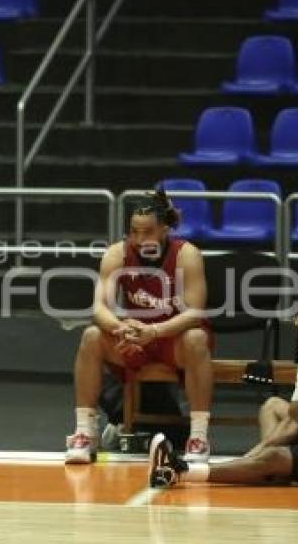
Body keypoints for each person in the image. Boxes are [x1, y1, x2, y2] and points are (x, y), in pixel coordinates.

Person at [149, 285, 298, 490]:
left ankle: (181, 470)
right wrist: (252, 457)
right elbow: (292, 423)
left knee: (274, 457)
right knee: (273, 407)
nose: (295, 322)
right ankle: (267, 469)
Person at [66, 189, 214, 464]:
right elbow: (99, 307)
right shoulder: (117, 254)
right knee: (92, 336)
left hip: (174, 339)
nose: (139, 239)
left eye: (147, 231)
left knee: (196, 338)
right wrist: (119, 328)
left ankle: (198, 437)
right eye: (134, 231)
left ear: (165, 230)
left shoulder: (187, 255)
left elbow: (195, 313)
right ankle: (84, 432)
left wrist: (155, 331)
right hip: (135, 337)